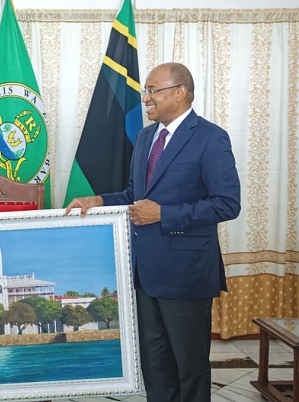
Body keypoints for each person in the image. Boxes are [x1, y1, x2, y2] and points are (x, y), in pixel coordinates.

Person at [65, 62, 240, 402]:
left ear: (180, 92)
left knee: (189, 367)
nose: (146, 98)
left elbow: (226, 204)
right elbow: (136, 196)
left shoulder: (211, 138)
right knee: (155, 365)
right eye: (146, 91)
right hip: (145, 273)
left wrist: (164, 214)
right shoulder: (146, 137)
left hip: (186, 274)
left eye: (152, 91)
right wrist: (97, 200)